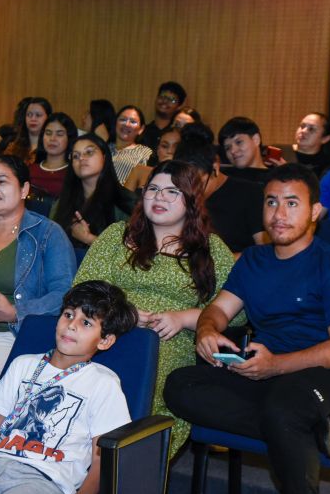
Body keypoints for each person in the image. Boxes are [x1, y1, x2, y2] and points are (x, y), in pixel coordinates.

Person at [164, 163, 330, 494]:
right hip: (264, 376)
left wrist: (277, 365)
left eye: (291, 203)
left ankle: (295, 432)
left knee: (284, 406)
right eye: (271, 202)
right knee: (180, 385)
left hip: (323, 379)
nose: (279, 213)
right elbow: (217, 310)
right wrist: (207, 332)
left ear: (314, 211)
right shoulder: (253, 260)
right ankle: (305, 429)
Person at [74, 160, 239, 456]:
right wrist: (125, 314)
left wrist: (188, 318)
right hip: (108, 337)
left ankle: (129, 464)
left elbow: (238, 314)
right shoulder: (115, 236)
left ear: (191, 201)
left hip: (171, 348)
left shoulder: (211, 249)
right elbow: (81, 292)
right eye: (153, 189)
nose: (159, 197)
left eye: (172, 191)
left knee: (152, 379)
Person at [0, 280, 137, 494]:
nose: (71, 325)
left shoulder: (103, 383)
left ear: (105, 341)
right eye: (69, 315)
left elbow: (101, 461)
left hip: (41, 480)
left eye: (86, 323)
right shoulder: (23, 365)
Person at [0, 155, 76, 401]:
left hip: (9, 334)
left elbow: (66, 294)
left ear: (24, 189)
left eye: (1, 181)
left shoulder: (47, 233)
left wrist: (16, 312)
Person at [173, 125, 266, 255]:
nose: (190, 191)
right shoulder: (177, 196)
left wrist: (221, 263)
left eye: (197, 183)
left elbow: (264, 249)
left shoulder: (251, 193)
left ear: (215, 168)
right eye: (183, 184)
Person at [52, 133, 136, 247]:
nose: (81, 158)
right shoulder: (62, 203)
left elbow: (131, 253)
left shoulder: (125, 203)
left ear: (104, 157)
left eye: (89, 152)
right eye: (75, 156)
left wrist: (89, 239)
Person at [272, 112, 330, 178]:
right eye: (302, 126)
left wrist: (287, 170)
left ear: (325, 139)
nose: (303, 131)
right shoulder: (278, 151)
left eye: (311, 129)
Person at [29, 112, 78, 198]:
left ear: (69, 139)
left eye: (59, 134)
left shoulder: (75, 173)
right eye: (48, 133)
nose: (52, 139)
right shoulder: (29, 170)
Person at [124, 127, 180, 192]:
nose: (170, 151)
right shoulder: (139, 171)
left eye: (176, 147)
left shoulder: (187, 179)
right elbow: (124, 200)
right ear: (157, 150)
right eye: (164, 146)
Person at [112, 105, 152, 184]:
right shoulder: (102, 148)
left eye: (133, 122)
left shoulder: (145, 153)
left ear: (141, 129)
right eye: (122, 119)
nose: (127, 124)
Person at [141, 81, 187, 150]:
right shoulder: (142, 131)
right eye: (162, 97)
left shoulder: (179, 134)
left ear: (179, 106)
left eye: (172, 100)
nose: (165, 101)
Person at [4, 97, 52, 164]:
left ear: (48, 118)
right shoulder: (13, 148)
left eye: (38, 115)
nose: (33, 119)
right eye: (29, 115)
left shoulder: (52, 148)